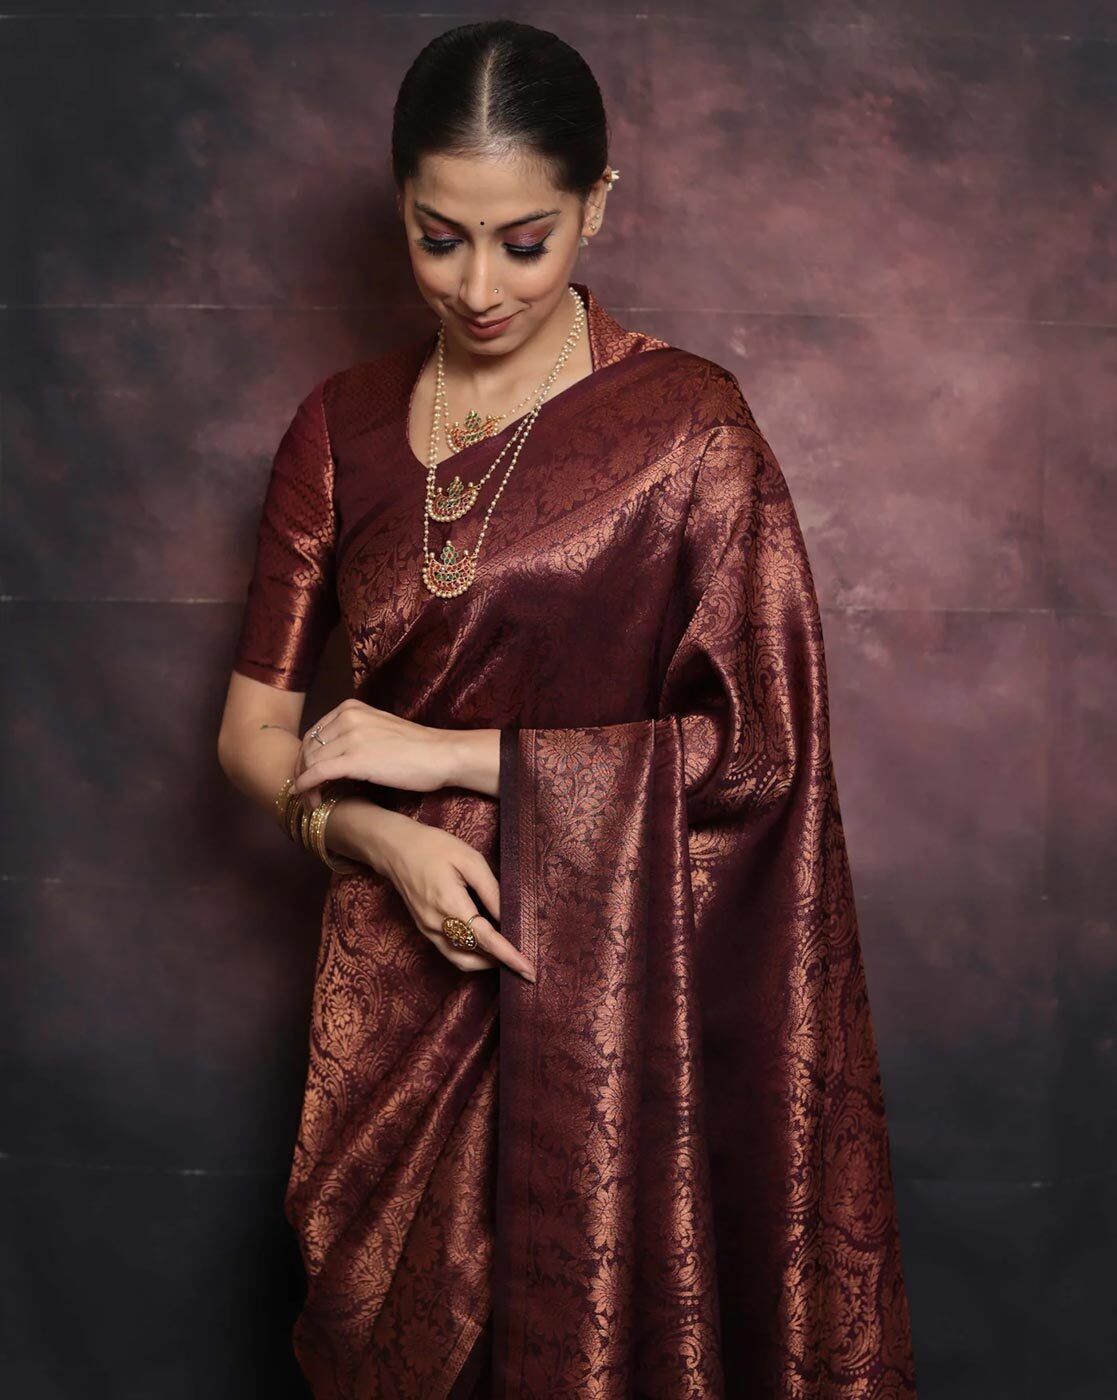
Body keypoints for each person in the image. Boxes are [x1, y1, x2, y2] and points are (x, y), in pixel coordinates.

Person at [217, 18, 918, 1399]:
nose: (477, 285)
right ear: (399, 209)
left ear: (598, 204)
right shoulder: (339, 426)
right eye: (438, 236)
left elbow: (759, 748)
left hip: (614, 985)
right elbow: (252, 736)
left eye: (524, 240)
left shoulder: (688, 427)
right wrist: (383, 841)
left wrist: (442, 751)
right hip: (396, 969)